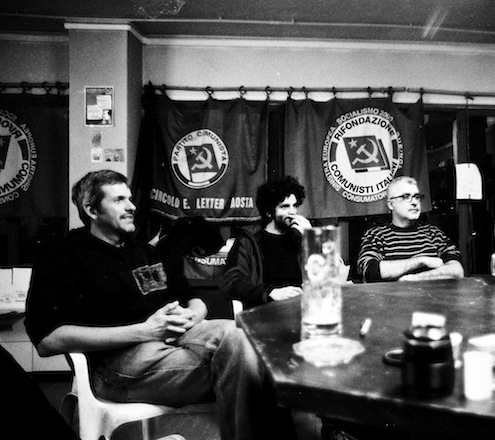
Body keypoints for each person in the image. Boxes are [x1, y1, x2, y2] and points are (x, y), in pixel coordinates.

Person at [24, 170, 296, 440]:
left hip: (179, 339)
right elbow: (48, 340)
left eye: (130, 199)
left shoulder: (144, 250)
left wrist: (191, 315)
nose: (132, 207)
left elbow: (193, 299)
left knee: (239, 335)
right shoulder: (63, 255)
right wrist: (144, 331)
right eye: (119, 200)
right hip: (117, 362)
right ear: (91, 209)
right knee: (252, 370)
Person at [221, 175, 313, 308]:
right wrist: (269, 293)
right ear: (269, 212)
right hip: (265, 310)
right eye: (285, 207)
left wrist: (310, 238)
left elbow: (328, 272)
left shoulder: (301, 237)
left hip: (302, 307)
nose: (292, 212)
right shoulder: (248, 242)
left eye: (294, 206)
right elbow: (231, 283)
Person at [356, 176, 464, 282]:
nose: (414, 202)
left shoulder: (434, 234)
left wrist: (413, 279)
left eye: (417, 197)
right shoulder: (376, 235)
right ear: (390, 204)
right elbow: (369, 272)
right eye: (406, 197)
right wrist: (421, 261)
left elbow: (457, 271)